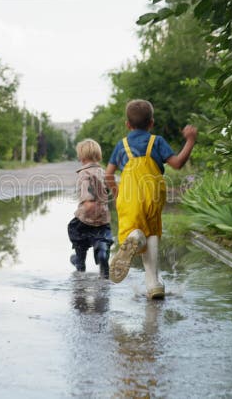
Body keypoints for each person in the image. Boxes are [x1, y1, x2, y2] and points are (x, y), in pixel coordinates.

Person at [106, 99, 197, 299]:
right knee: (153, 232)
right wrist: (190, 140)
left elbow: (108, 174)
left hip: (129, 196)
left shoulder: (121, 145)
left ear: (127, 125)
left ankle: (135, 237)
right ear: (151, 123)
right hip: (153, 194)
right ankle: (153, 283)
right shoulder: (157, 141)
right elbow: (178, 164)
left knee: (132, 231)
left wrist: (118, 193)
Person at [67, 139, 114, 278]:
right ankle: (102, 253)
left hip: (85, 218)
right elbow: (110, 190)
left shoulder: (84, 174)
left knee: (77, 235)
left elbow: (87, 194)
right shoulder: (104, 172)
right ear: (98, 156)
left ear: (81, 157)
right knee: (102, 238)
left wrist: (88, 204)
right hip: (102, 219)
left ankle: (80, 262)